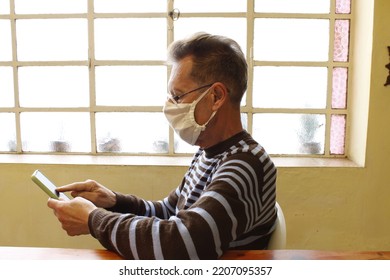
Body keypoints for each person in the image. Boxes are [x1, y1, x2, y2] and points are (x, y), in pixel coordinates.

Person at [47, 32, 277, 260]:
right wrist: (113, 201)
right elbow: (169, 212)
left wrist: (93, 219)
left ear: (216, 96)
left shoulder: (247, 164)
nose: (170, 106)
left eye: (178, 96)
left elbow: (183, 244)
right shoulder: (209, 153)